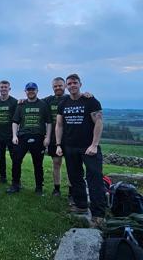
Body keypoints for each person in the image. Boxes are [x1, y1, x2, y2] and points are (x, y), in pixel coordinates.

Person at [55, 74, 104, 227]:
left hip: (89, 147)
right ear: (66, 86)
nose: (72, 85)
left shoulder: (90, 101)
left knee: (94, 178)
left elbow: (99, 122)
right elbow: (59, 125)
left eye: (75, 83)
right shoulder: (63, 102)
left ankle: (98, 215)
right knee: (75, 177)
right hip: (70, 147)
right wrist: (58, 145)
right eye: (69, 83)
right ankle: (81, 205)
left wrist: (94, 145)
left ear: (80, 84)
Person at [7, 82, 51, 195]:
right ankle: (15, 185)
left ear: (37, 91)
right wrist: (14, 135)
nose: (31, 91)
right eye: (28, 89)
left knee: (38, 164)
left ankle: (39, 188)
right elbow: (15, 122)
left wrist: (47, 137)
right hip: (22, 136)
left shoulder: (43, 104)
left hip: (38, 137)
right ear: (25, 91)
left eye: (33, 89)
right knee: (16, 161)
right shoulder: (21, 104)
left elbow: (49, 122)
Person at [0, 80, 18, 183]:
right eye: (2, 87)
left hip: (11, 135)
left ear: (9, 89)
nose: (3, 89)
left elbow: (17, 117)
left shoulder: (14, 102)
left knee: (14, 158)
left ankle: (16, 180)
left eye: (5, 87)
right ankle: (2, 177)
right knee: (0, 157)